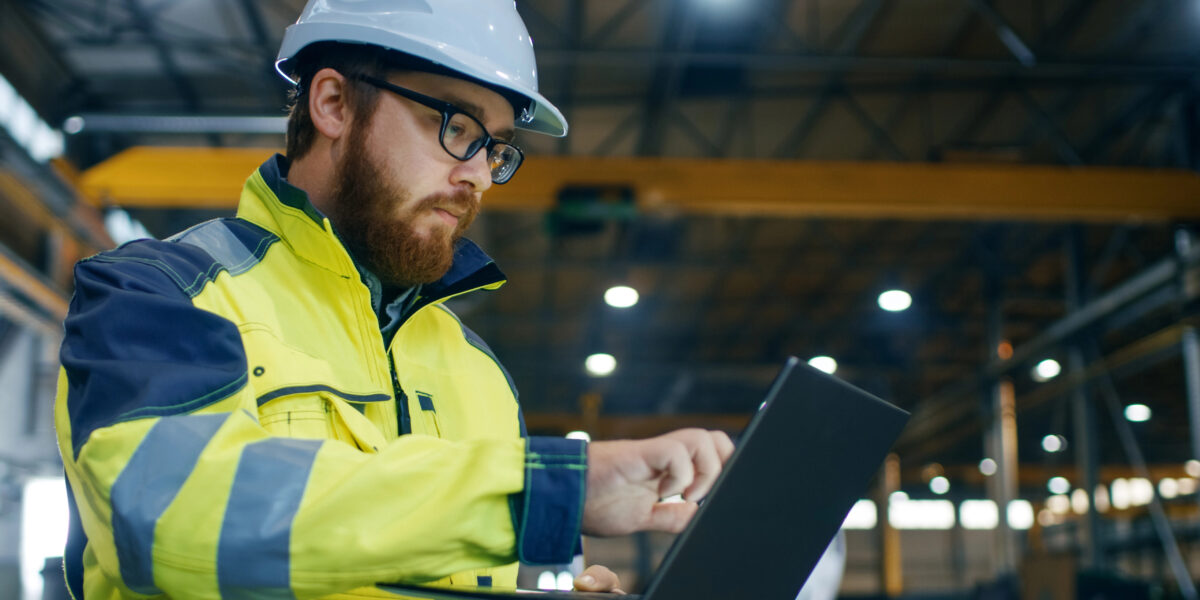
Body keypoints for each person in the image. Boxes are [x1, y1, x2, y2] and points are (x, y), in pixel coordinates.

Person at [53, 1, 735, 598]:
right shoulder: (160, 294)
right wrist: (543, 491)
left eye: (495, 149)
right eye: (457, 126)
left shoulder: (478, 370)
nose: (478, 176)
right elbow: (170, 517)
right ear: (333, 104)